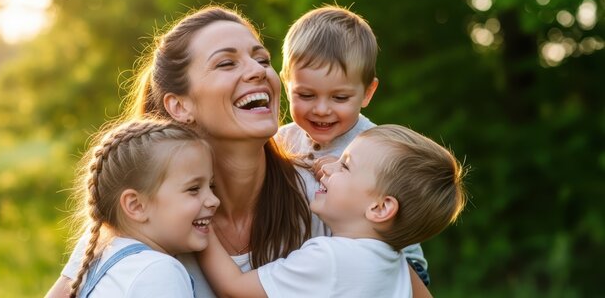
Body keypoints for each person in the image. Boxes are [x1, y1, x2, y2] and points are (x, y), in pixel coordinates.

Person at [45, 5, 432, 298]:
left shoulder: (325, 199)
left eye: (262, 59)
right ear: (180, 105)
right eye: (227, 63)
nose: (257, 70)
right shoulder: (142, 214)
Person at [198, 124, 467, 297]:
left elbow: (234, 288)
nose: (327, 168)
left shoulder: (332, 258)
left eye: (345, 166)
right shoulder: (393, 263)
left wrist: (202, 221)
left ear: (380, 207)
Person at [275, 4, 428, 280]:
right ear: (287, 85)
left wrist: (349, 171)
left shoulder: (374, 147)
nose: (321, 109)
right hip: (311, 270)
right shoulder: (281, 140)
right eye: (306, 95)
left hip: (384, 268)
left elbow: (404, 215)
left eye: (340, 98)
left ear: (367, 92)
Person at [66, 119, 219, 297]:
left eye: (212, 186)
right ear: (136, 206)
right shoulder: (159, 272)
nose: (214, 200)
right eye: (193, 189)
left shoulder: (101, 262)